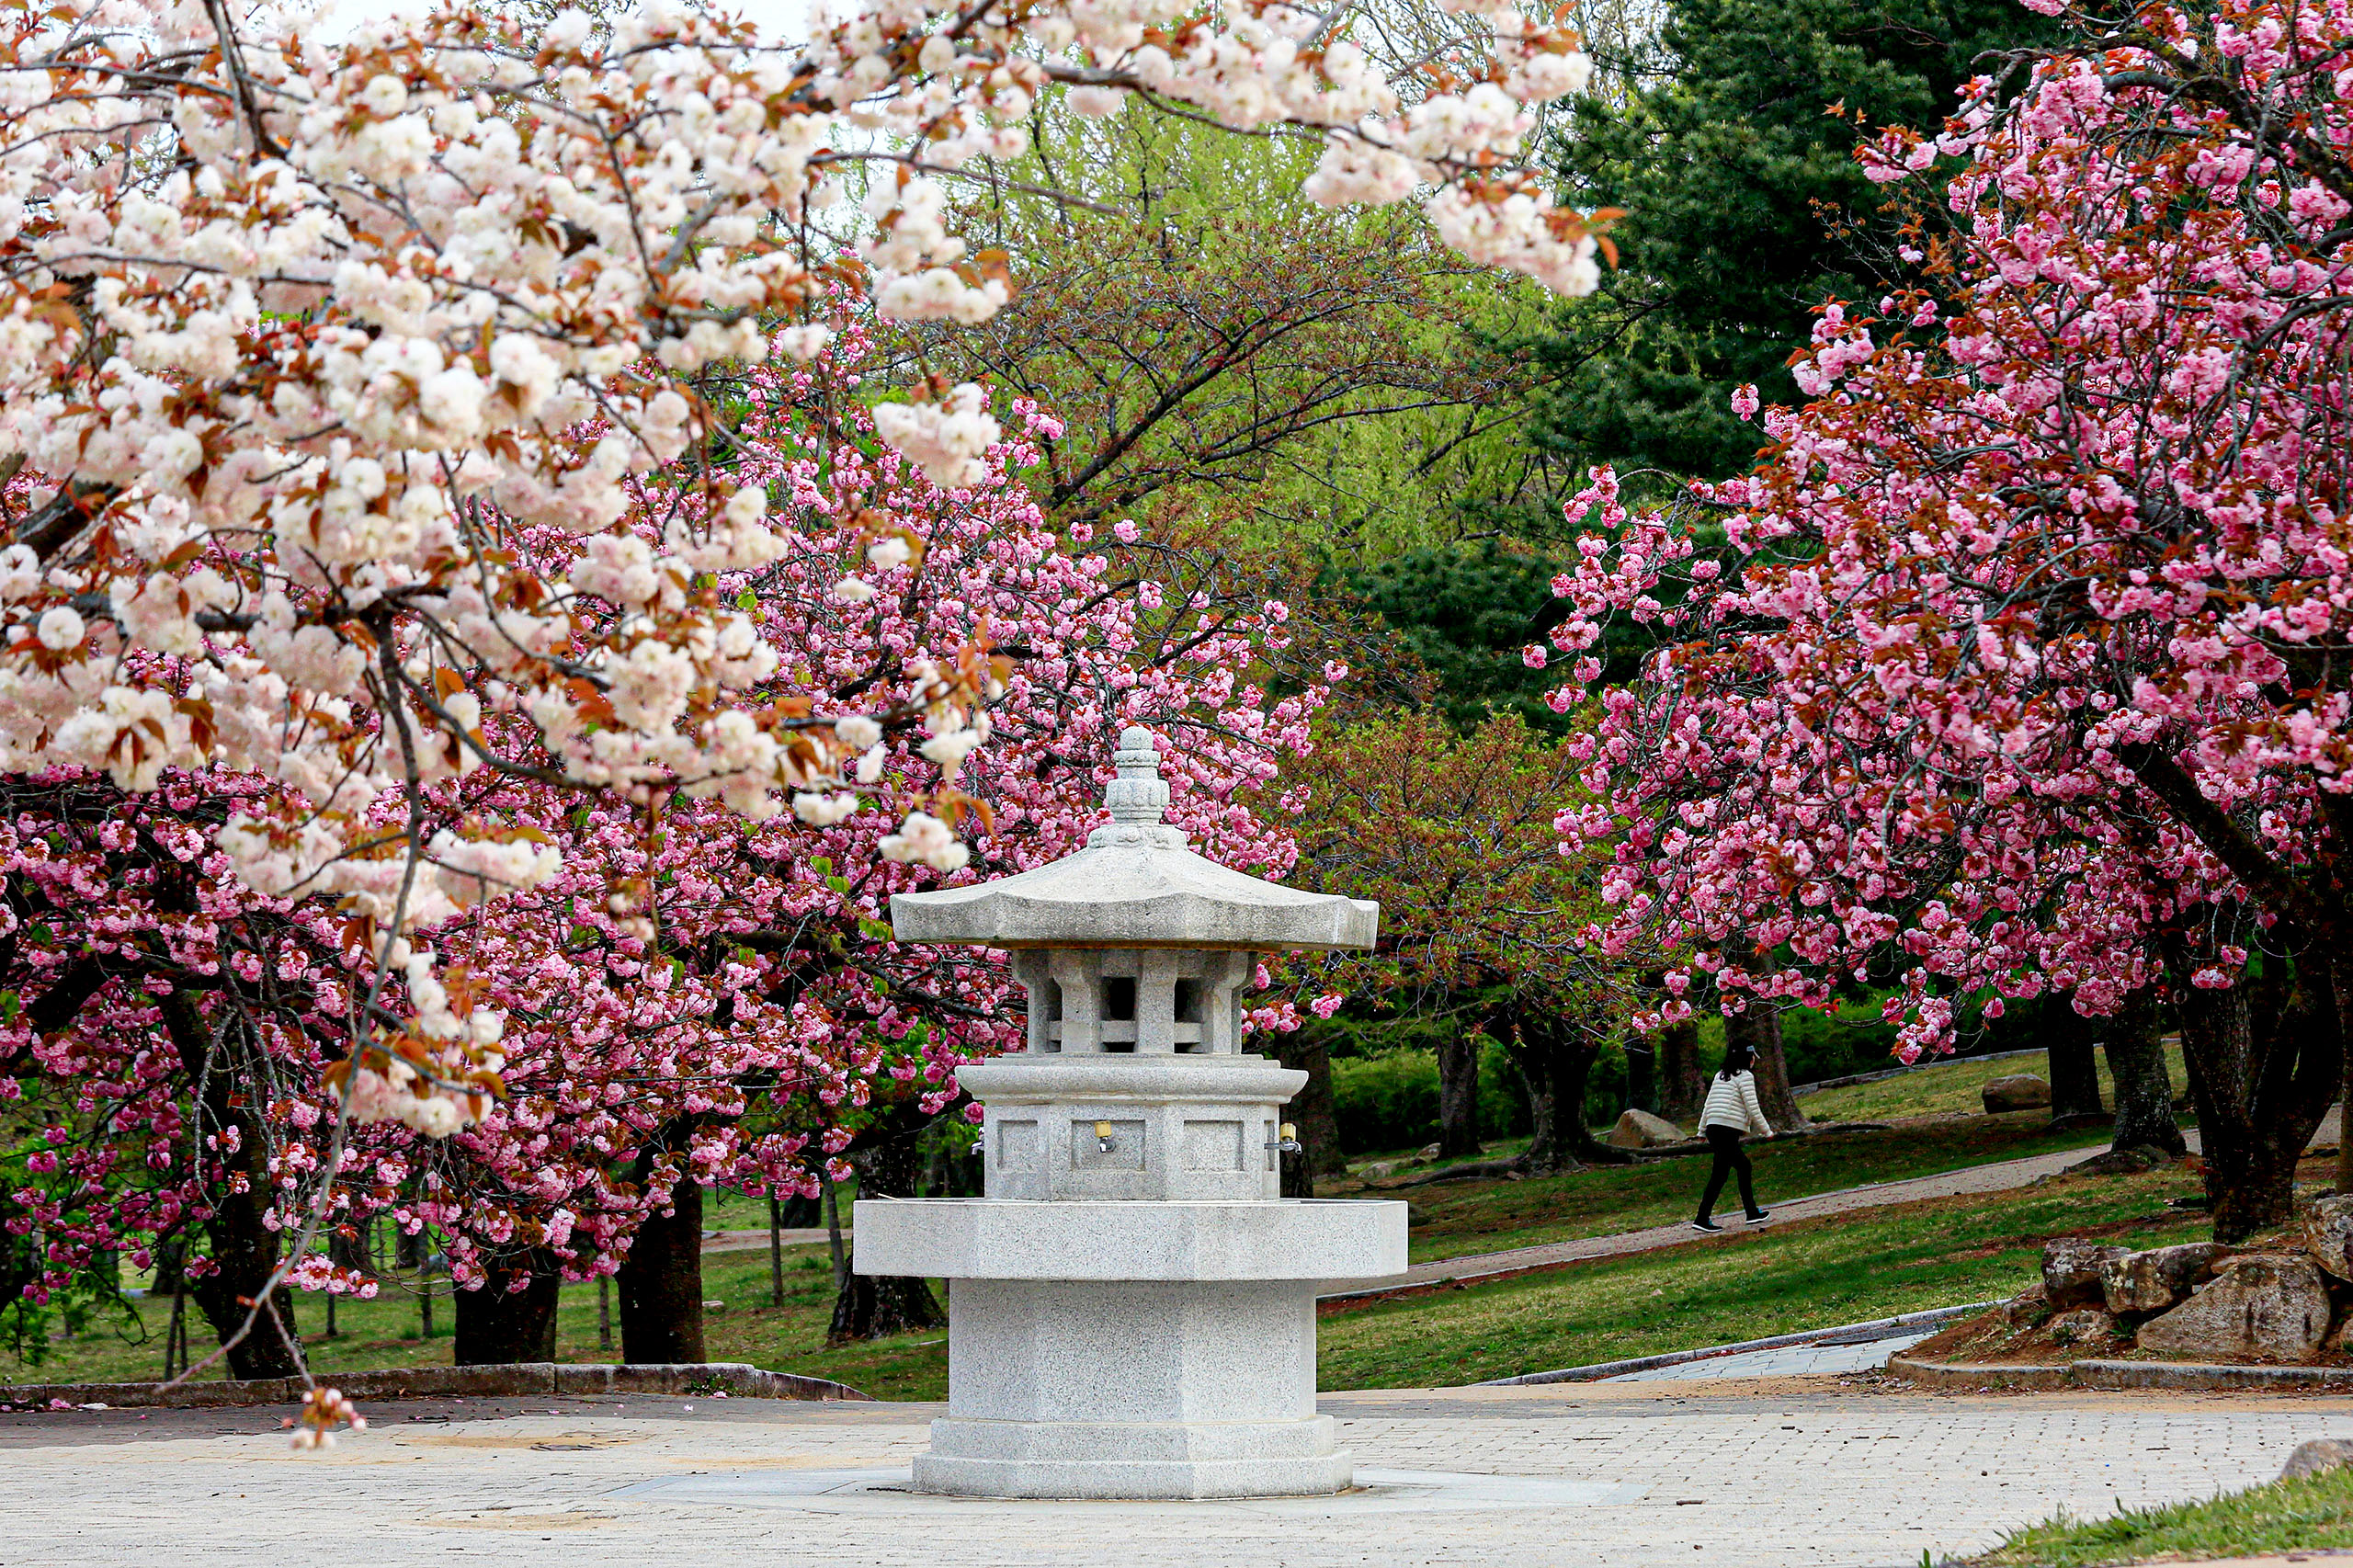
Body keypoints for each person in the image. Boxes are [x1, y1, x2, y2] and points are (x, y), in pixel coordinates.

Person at [1692, 1042, 1773, 1233]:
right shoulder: (1745, 1077)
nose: (1754, 1061)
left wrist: (1702, 1130)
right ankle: (1749, 1213)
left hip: (1715, 1129)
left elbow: (1708, 1104)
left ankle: (1704, 1217)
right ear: (1748, 1058)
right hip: (1726, 1130)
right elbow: (1753, 1108)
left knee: (1721, 1174)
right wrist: (1767, 1131)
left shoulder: (1720, 1075)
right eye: (1753, 1057)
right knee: (1741, 1167)